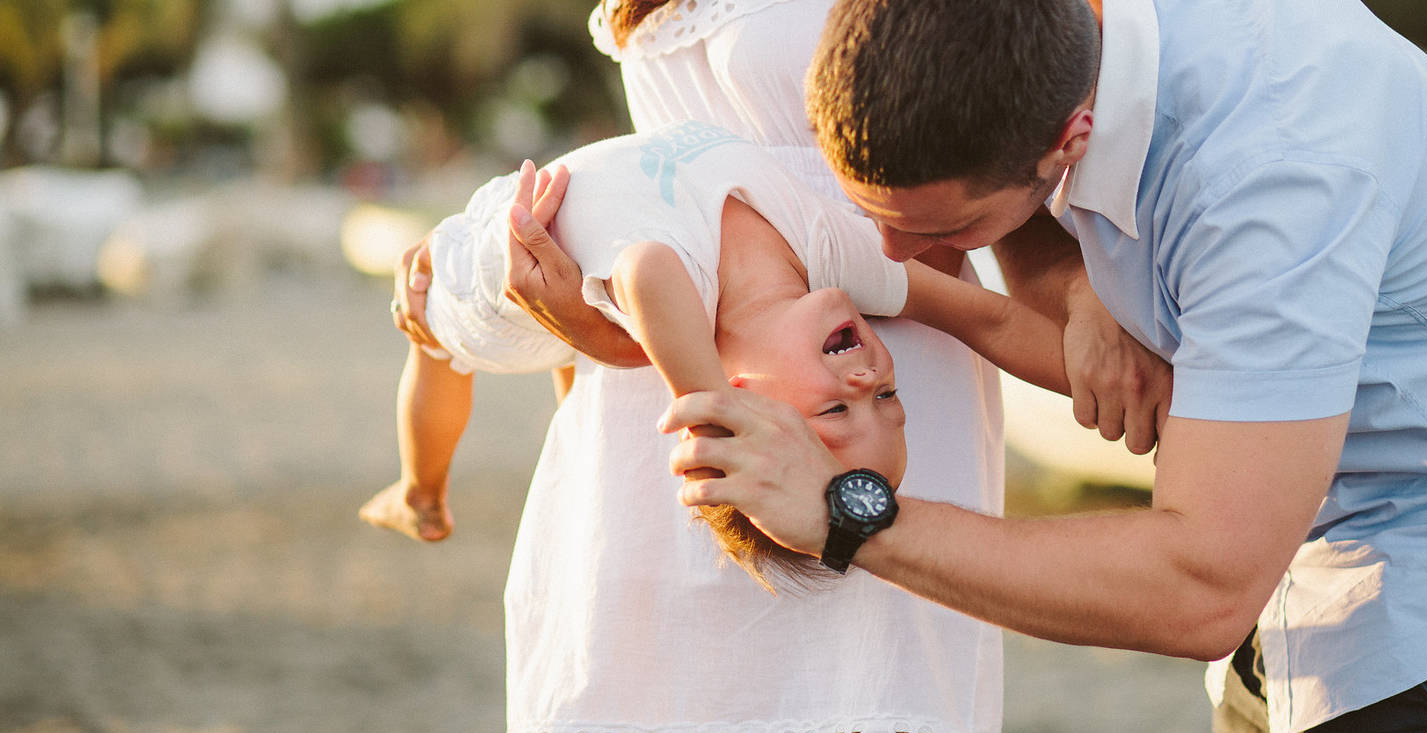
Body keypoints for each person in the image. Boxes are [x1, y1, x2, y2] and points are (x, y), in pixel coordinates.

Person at [393, 0, 1166, 733]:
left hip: (859, 387)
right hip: (647, 408)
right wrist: (564, 325)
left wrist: (1085, 302)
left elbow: (965, 122)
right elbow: (648, 177)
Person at [663, 0, 1427, 733]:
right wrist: (1075, 284)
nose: (896, 255)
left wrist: (847, 518)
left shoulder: (1273, 179)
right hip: (1272, 540)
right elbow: (1014, 200)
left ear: (1069, 138)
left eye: (940, 227)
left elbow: (1201, 582)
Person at [361, 124, 1066, 591]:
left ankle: (420, 491)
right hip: (558, 238)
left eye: (835, 407)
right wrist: (1147, 394)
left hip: (489, 277)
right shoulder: (831, 252)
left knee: (433, 349)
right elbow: (990, 317)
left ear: (738, 396)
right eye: (887, 399)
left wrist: (710, 419)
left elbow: (643, 271)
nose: (870, 375)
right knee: (584, 356)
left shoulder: (684, 293)